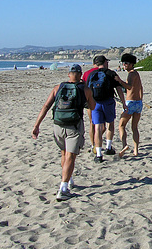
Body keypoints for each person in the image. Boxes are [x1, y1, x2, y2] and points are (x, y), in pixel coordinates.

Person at [32, 64, 95, 201]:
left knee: (64, 153)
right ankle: (63, 188)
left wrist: (37, 125)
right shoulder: (85, 89)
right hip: (73, 125)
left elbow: (46, 106)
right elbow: (92, 106)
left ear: (69, 74)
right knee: (71, 157)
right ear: (80, 75)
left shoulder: (57, 88)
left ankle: (69, 179)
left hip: (58, 125)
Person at [83, 55, 128, 163]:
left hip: (95, 103)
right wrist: (123, 102)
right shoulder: (111, 73)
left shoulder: (92, 74)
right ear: (105, 63)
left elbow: (87, 89)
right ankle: (108, 147)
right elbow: (118, 89)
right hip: (108, 102)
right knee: (110, 124)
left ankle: (98, 154)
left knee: (97, 127)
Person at [118, 53, 143, 157]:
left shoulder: (131, 74)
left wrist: (119, 81)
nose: (124, 65)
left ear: (132, 64)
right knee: (134, 127)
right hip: (138, 103)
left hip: (131, 102)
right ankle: (136, 150)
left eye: (126, 63)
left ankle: (124, 145)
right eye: (123, 63)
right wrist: (140, 99)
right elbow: (141, 87)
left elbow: (128, 86)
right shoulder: (136, 73)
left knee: (121, 125)